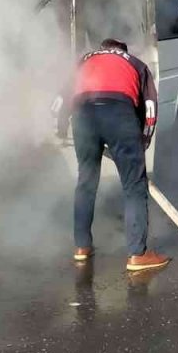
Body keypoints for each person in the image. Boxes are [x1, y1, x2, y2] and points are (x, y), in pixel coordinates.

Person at [69, 38, 164, 271]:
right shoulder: (136, 63)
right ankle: (137, 255)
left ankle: (82, 247)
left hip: (83, 114)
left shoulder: (85, 60)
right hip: (119, 114)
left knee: (86, 182)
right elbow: (150, 108)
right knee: (133, 186)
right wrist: (144, 139)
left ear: (102, 50)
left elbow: (63, 93)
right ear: (123, 50)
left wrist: (60, 126)